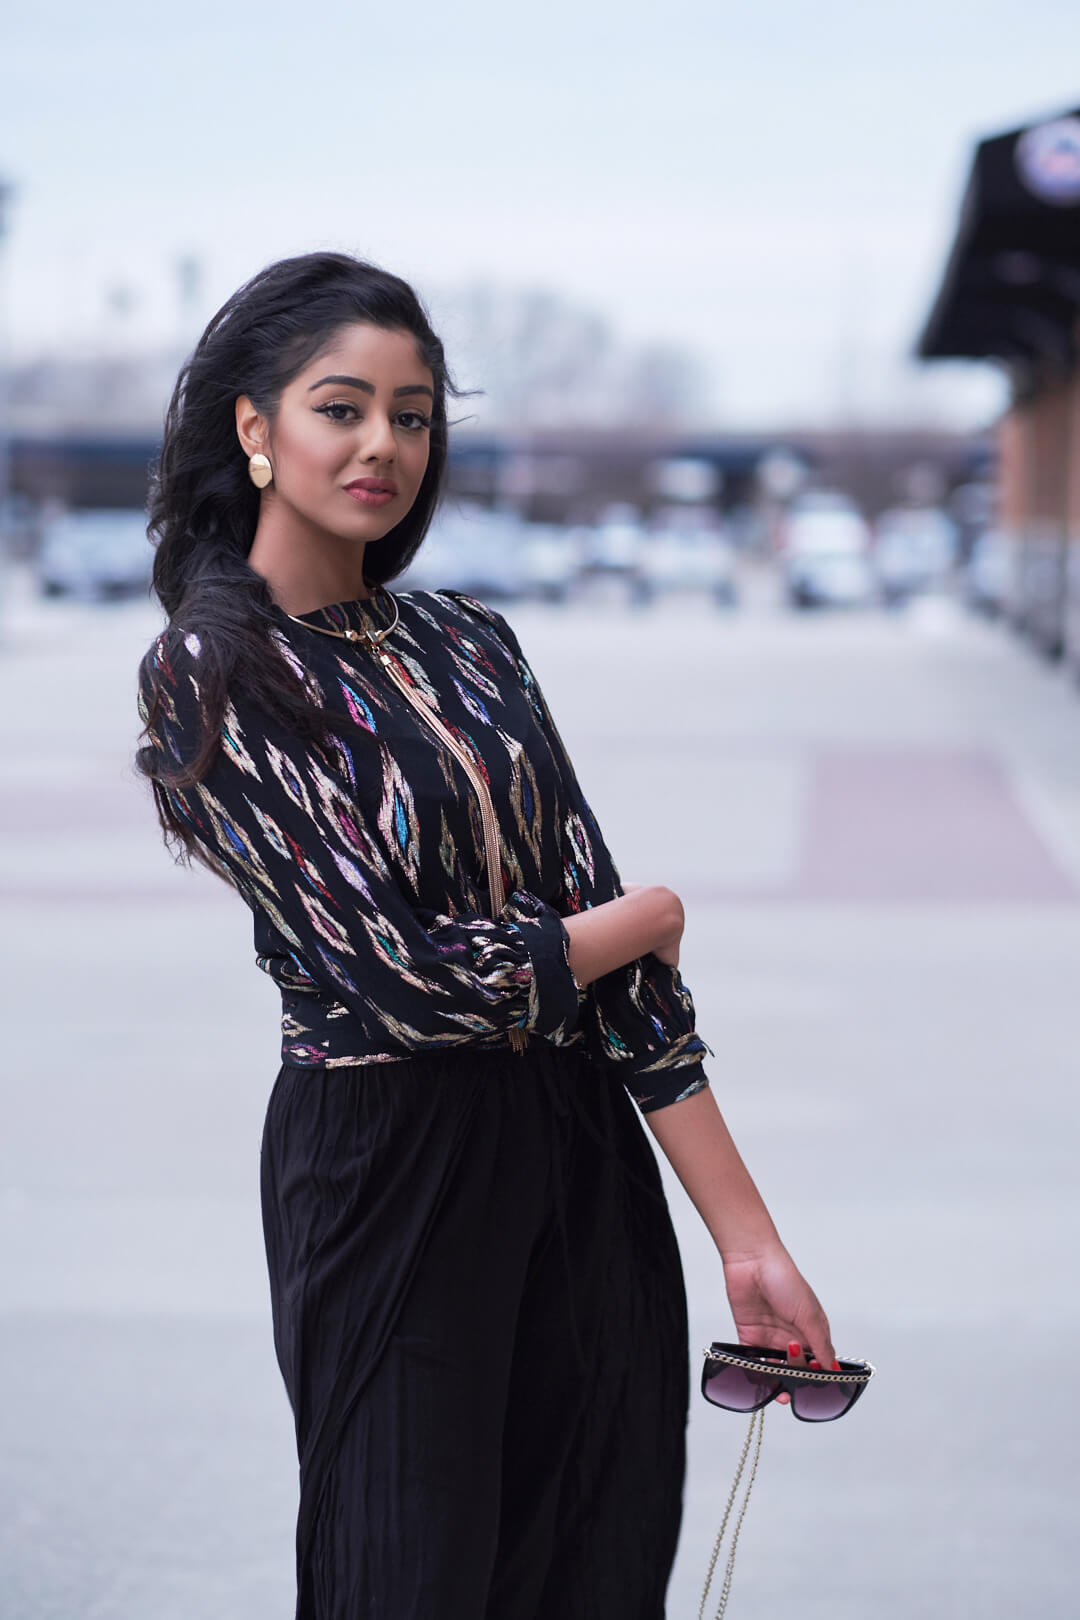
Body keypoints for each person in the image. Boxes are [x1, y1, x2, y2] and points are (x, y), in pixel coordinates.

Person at [135, 250, 836, 1620]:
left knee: (591, 1542)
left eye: (413, 413)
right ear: (254, 428)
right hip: (387, 1164)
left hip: (577, 1153)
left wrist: (745, 1238)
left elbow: (628, 992)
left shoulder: (474, 640)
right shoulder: (212, 672)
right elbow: (391, 983)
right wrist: (642, 920)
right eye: (342, 407)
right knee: (406, 1568)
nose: (383, 444)